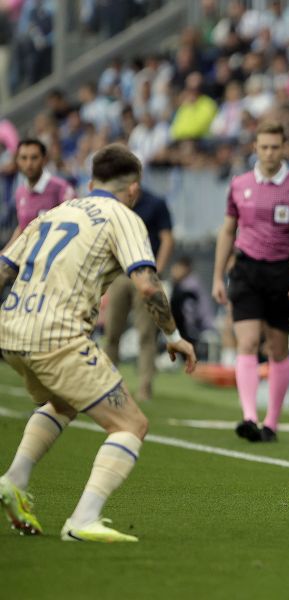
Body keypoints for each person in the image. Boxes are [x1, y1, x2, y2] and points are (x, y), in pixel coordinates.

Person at [0, 144, 197, 542]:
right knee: (131, 425)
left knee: (63, 401)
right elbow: (147, 285)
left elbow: (4, 267)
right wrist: (174, 336)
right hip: (57, 336)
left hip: (11, 331)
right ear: (134, 190)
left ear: (91, 183)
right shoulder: (123, 216)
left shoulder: (53, 212)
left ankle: (15, 480)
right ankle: (83, 520)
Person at [212, 121, 289, 443]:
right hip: (246, 269)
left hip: (282, 272)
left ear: (283, 148)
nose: (270, 153)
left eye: (275, 147)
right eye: (264, 147)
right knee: (246, 342)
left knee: (277, 348)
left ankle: (271, 422)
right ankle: (249, 416)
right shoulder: (239, 184)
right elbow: (228, 230)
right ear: (256, 148)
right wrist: (218, 275)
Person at [103, 187, 174, 401]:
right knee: (112, 333)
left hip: (145, 275)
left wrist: (156, 271)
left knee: (146, 334)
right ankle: (108, 386)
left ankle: (145, 387)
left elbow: (167, 239)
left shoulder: (156, 203)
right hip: (120, 274)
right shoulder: (116, 203)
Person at [5, 138, 75, 248]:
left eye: (34, 158)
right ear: (17, 161)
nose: (29, 163)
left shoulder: (61, 188)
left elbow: (74, 222)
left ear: (44, 159)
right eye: (24, 158)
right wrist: (4, 254)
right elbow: (22, 227)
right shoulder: (20, 192)